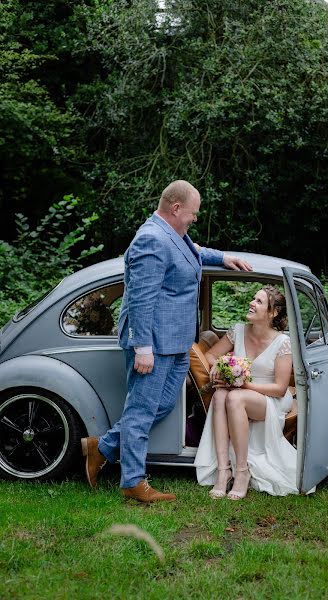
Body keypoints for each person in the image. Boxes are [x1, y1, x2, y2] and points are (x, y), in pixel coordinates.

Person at [81, 180, 252, 503]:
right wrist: (142, 347)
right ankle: (132, 481)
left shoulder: (173, 235)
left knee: (160, 406)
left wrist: (223, 257)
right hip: (154, 345)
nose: (194, 219)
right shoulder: (151, 240)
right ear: (176, 209)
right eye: (193, 213)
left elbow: (194, 251)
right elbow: (142, 299)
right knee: (141, 411)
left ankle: (101, 447)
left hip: (176, 344)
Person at [195, 285, 298, 499]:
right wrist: (218, 364)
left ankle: (243, 472)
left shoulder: (282, 342)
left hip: (270, 397)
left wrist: (244, 385)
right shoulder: (238, 330)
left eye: (259, 301)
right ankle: (224, 471)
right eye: (253, 299)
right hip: (239, 391)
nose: (251, 303)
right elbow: (212, 355)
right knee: (221, 394)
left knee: (233, 396)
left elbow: (280, 389)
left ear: (273, 313)